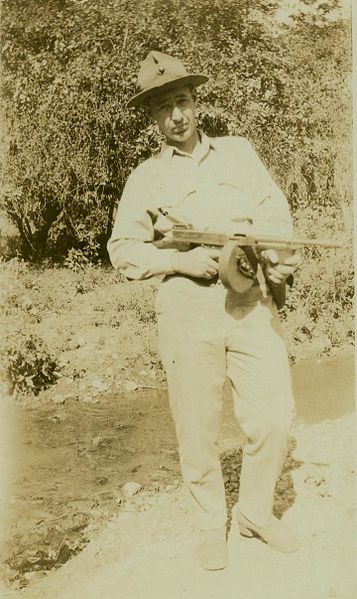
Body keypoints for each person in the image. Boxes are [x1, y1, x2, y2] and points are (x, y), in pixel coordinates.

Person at [108, 51, 301, 570]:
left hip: (251, 303)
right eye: (165, 107)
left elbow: (274, 211)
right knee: (197, 430)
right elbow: (122, 249)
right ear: (152, 117)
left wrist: (280, 260)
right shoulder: (144, 178)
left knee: (274, 416)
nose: (178, 115)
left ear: (197, 103)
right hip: (187, 312)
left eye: (184, 101)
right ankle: (208, 523)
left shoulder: (239, 153)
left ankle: (255, 513)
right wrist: (180, 264)